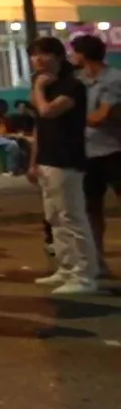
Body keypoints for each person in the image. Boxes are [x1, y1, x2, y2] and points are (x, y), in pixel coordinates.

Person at [27, 36, 97, 294]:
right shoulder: (46, 86)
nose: (37, 59)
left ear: (58, 56)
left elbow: (47, 111)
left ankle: (85, 275)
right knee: (55, 218)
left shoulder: (72, 86)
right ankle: (66, 268)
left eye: (44, 53)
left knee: (72, 217)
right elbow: (39, 127)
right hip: (47, 159)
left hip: (66, 159)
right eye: (34, 54)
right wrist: (33, 161)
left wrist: (38, 88)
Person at [70, 33, 121, 277]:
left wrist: (72, 118)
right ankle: (97, 260)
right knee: (91, 209)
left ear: (83, 55)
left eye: (74, 52)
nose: (71, 57)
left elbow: (101, 116)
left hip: (115, 150)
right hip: (87, 152)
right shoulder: (78, 81)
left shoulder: (114, 79)